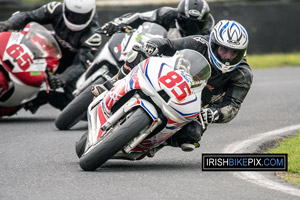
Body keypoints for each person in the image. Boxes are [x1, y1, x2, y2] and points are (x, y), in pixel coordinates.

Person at [94, 20, 253, 152]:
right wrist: (156, 45)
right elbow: (170, 44)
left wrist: (214, 114)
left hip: (198, 107)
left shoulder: (243, 75)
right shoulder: (199, 42)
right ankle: (113, 83)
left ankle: (157, 143)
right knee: (140, 53)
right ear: (213, 43)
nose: (227, 57)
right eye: (224, 49)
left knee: (192, 137)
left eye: (234, 53)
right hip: (173, 79)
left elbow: (232, 107)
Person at [0, 0, 102, 113]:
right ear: (64, 9)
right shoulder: (55, 8)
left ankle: (41, 97)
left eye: (80, 17)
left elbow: (81, 64)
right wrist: (8, 24)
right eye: (71, 14)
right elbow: (27, 16)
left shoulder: (94, 35)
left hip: (70, 64)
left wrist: (63, 78)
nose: (74, 19)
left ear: (91, 14)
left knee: (73, 102)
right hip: (47, 49)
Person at [100, 0, 215, 39]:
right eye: (187, 22)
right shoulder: (166, 14)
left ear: (205, 22)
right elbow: (139, 17)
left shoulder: (209, 34)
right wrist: (116, 24)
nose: (190, 27)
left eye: (195, 24)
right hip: (155, 53)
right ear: (178, 16)